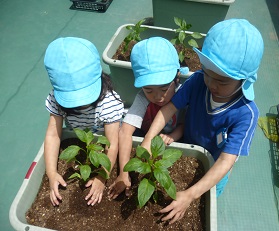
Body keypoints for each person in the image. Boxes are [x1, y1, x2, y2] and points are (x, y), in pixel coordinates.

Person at [140, 19, 264, 223]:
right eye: (208, 74)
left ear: (245, 80)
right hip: (186, 149)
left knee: (206, 200)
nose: (212, 84)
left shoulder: (246, 113)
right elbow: (169, 107)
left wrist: (190, 194)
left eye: (222, 81)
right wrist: (148, 139)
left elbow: (226, 161)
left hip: (214, 166)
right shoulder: (198, 81)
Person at [43, 37, 124, 206]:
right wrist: (51, 173)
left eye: (84, 96)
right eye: (71, 100)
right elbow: (53, 135)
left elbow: (112, 144)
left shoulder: (108, 102)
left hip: (104, 138)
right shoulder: (56, 99)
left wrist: (102, 176)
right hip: (82, 139)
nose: (80, 104)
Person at [108, 37, 188, 199]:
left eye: (164, 88)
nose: (158, 97)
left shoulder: (183, 96)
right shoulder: (142, 99)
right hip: (145, 137)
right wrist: (124, 173)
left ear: (177, 76)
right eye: (149, 90)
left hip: (172, 142)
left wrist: (172, 136)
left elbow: (183, 125)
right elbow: (125, 132)